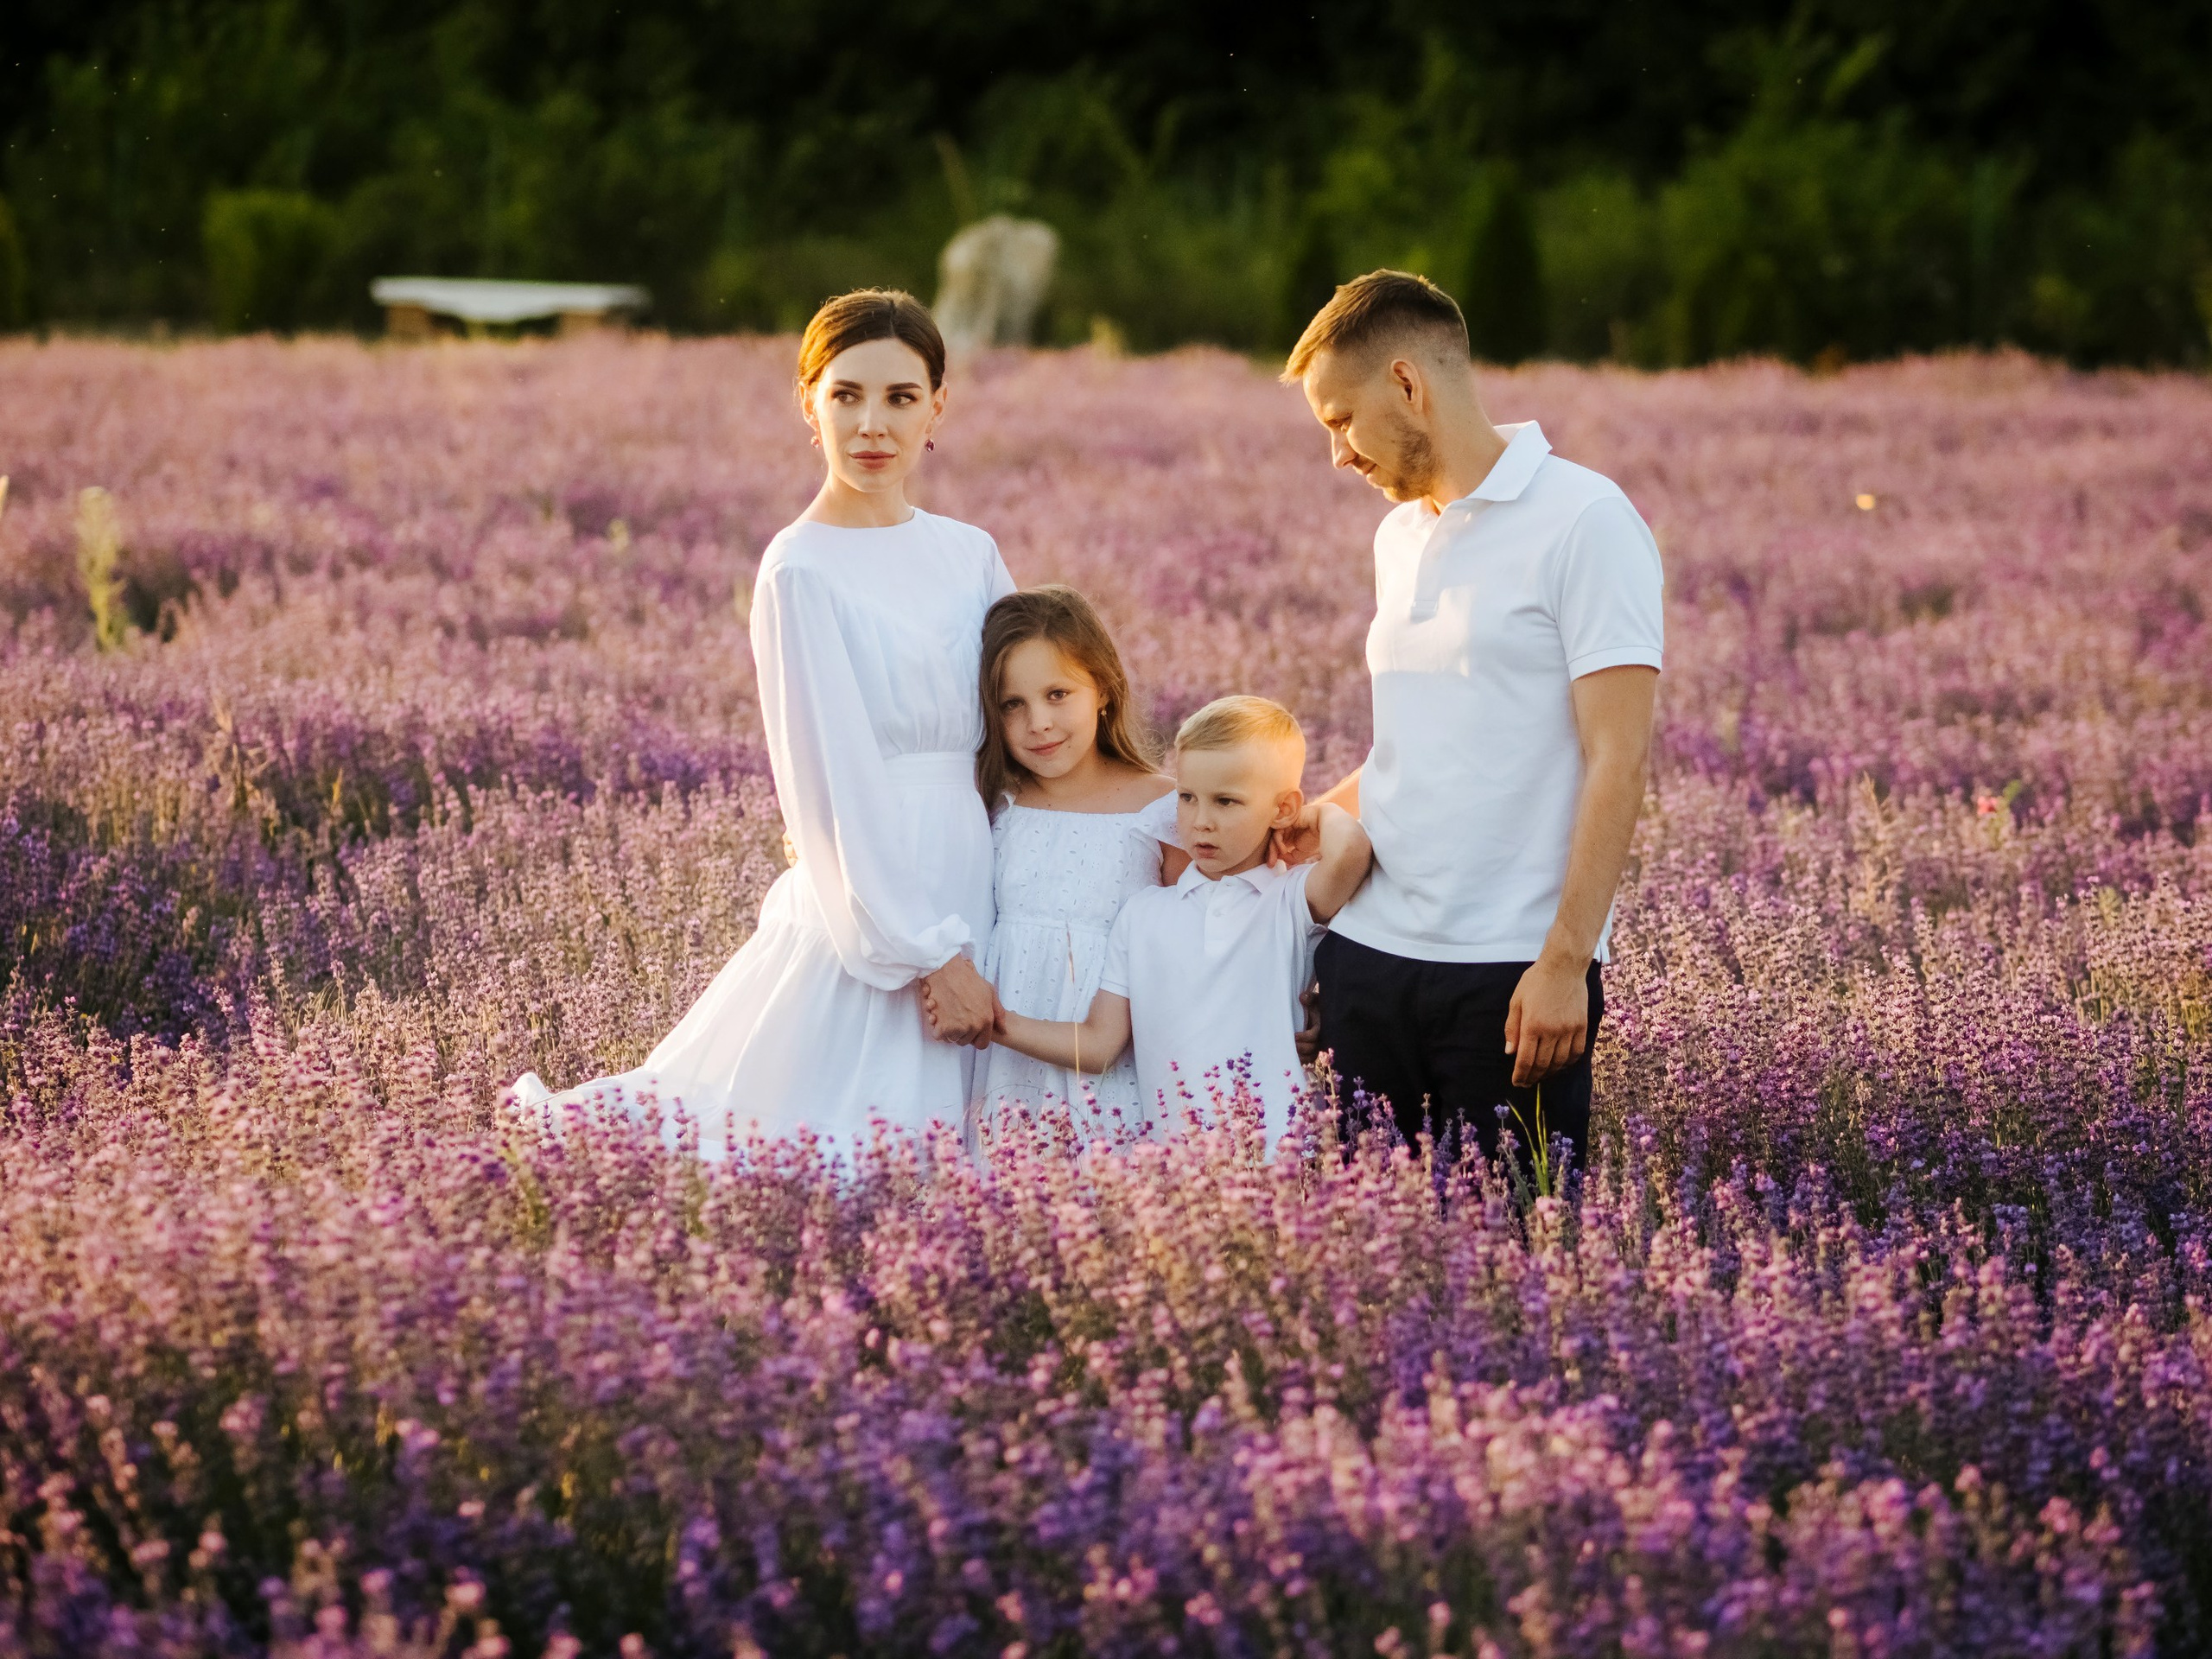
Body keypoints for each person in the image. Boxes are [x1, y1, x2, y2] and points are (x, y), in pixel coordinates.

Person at [512, 289, 1012, 1152]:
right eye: (845, 395)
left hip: (984, 871)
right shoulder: (800, 567)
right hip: (879, 903)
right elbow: (833, 785)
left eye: (899, 398)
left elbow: (1031, 723)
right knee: (842, 1146)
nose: (871, 426)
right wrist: (928, 954)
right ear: (807, 404)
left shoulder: (970, 552)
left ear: (937, 406)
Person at [1281, 270, 1662, 1169]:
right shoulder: (1398, 535)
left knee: (1507, 1270)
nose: (1337, 454)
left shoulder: (1587, 521)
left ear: (1408, 385)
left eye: (1340, 420)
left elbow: (1618, 758)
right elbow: (1411, 744)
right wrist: (1295, 823)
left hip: (1508, 977)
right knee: (1364, 1256)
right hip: (1366, 960)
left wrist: (1567, 961)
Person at [986, 696, 1372, 1145]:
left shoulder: (1289, 900)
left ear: (1284, 808)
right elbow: (1098, 1045)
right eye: (1187, 797)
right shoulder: (1145, 913)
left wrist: (1316, 815)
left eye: (1226, 802)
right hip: (1174, 1167)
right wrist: (995, 1021)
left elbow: (1352, 851)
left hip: (1277, 1161)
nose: (1200, 821)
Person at [958, 586, 1187, 1137]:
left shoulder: (1162, 808)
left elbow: (1202, 934)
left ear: (1103, 689)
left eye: (1058, 694)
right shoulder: (995, 805)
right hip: (1010, 1067)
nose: (1038, 721)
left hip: (1116, 1072)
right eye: (1013, 704)